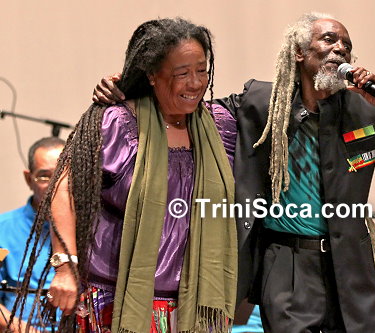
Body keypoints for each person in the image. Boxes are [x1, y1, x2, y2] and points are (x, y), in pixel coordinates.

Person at [94, 12, 375, 333]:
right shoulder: (259, 102)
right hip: (286, 263)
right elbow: (188, 102)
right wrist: (126, 88)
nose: (340, 49)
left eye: (346, 45)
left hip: (350, 266)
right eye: (329, 40)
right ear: (300, 52)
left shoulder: (366, 112)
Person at [12, 18, 238, 333]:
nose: (196, 82)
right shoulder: (116, 123)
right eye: (182, 73)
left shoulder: (220, 125)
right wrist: (65, 266)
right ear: (152, 76)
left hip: (196, 301)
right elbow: (63, 187)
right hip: (116, 298)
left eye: (202, 70)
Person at [0, 137, 64, 332]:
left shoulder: (95, 228)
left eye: (63, 174)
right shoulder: (3, 228)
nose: (55, 184)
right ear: (29, 179)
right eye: (45, 176)